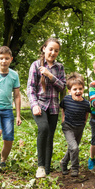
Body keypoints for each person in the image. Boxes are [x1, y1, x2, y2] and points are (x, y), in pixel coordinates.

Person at [27, 38, 66, 178]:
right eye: (50, 49)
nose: (53, 52)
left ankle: (47, 171)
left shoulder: (59, 67)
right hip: (40, 105)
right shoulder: (36, 65)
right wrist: (34, 105)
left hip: (54, 107)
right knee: (43, 129)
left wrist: (50, 75)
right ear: (44, 48)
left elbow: (62, 87)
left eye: (56, 50)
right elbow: (30, 88)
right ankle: (40, 166)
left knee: (50, 137)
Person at [60, 73, 91, 177]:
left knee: (73, 148)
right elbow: (62, 109)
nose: (78, 91)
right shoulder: (66, 100)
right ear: (70, 90)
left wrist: (84, 123)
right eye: (75, 89)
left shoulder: (86, 103)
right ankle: (75, 168)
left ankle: (63, 163)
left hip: (79, 127)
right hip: (68, 127)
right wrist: (63, 120)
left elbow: (87, 113)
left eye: (80, 88)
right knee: (74, 148)